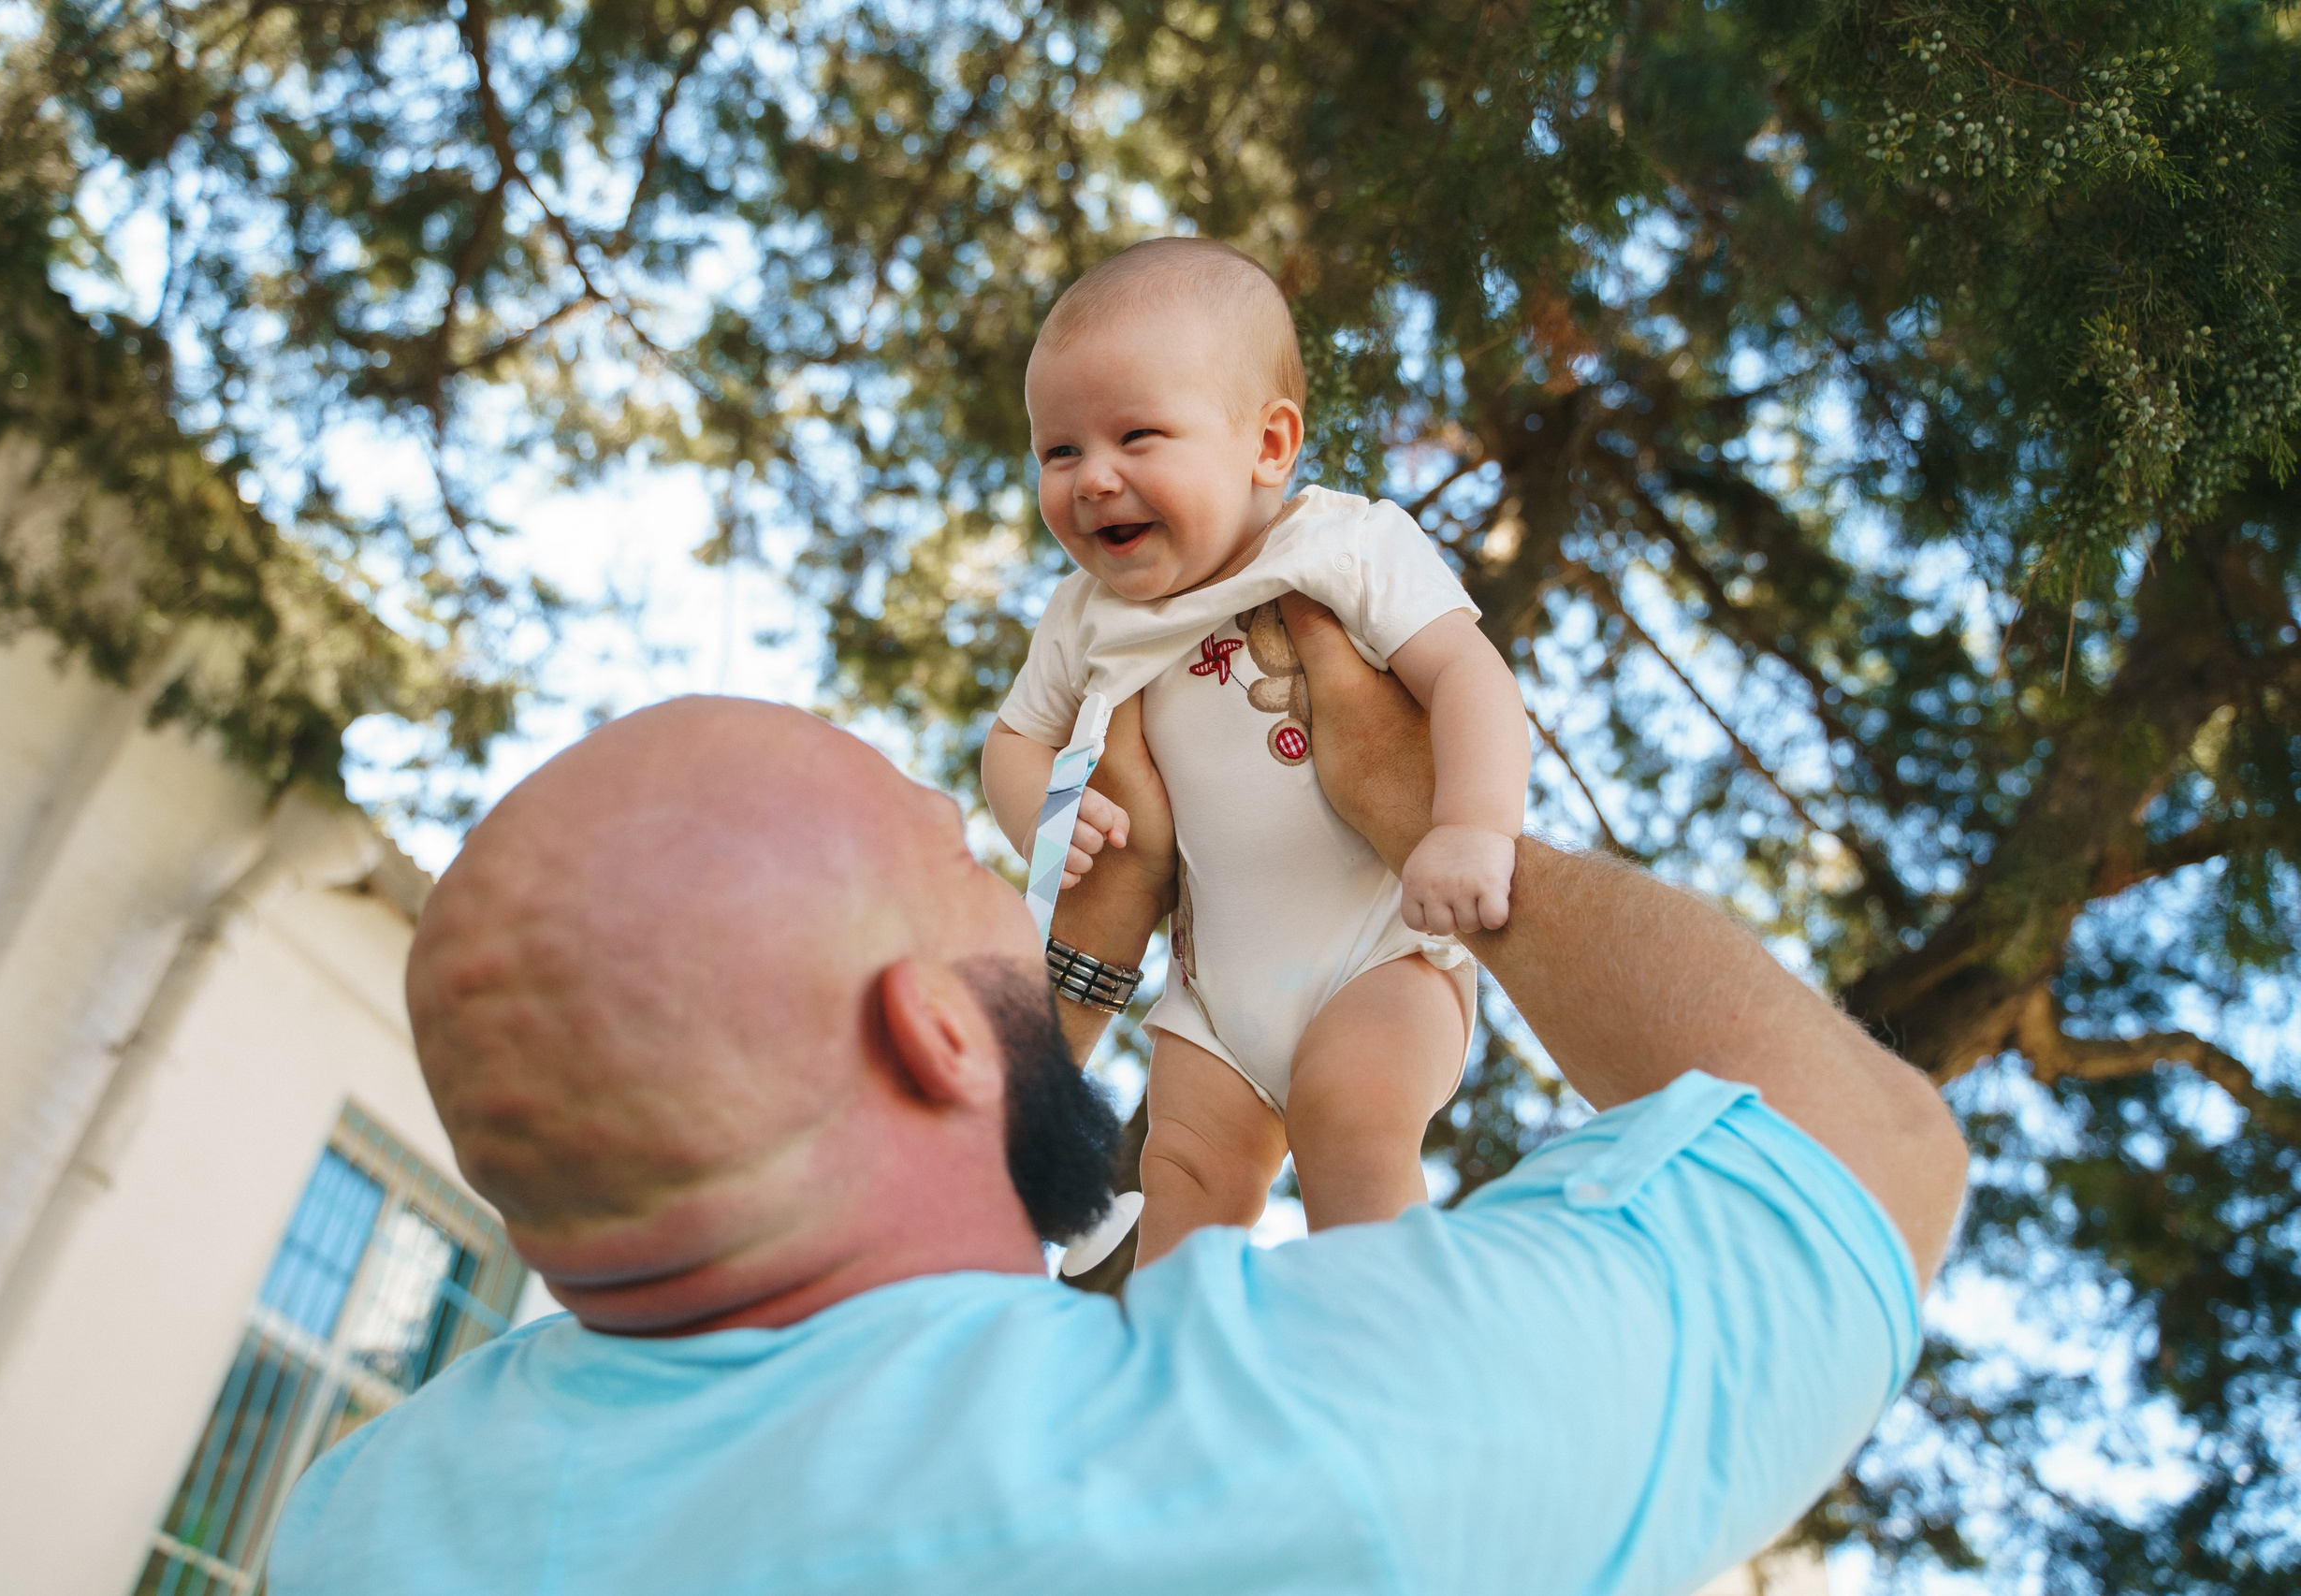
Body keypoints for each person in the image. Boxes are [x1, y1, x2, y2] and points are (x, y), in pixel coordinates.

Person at [268, 614, 1967, 1596]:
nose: (1021, 875)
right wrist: (1418, 806)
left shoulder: (366, 1518)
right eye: (963, 858)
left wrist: (1082, 964)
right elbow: (1870, 1157)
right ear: (935, 1037)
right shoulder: (1261, 1448)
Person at [983, 238, 1530, 1270]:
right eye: (1058, 452)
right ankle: (1172, 1384)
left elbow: (1470, 675)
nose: (1093, 478)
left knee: (1351, 1121)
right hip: (1214, 995)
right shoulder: (1083, 614)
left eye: (1136, 435)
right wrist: (1048, 812)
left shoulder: (1341, 545)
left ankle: (1378, 1350)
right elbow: (1012, 740)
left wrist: (1471, 827)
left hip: (1382, 949)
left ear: (1267, 444)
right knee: (1179, 1183)